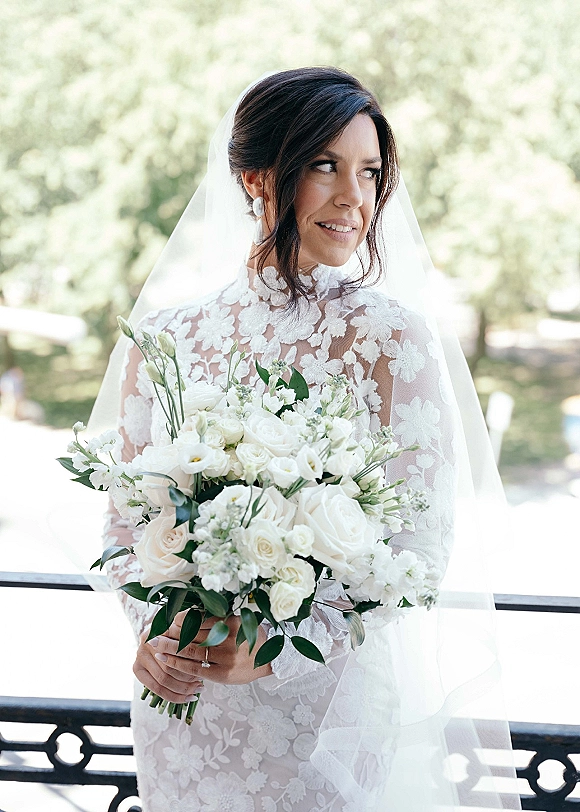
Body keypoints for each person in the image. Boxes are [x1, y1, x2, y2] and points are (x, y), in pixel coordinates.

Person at [98, 68, 520, 811]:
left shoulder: (393, 340)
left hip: (324, 715)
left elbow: (418, 552)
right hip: (185, 706)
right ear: (256, 176)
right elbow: (125, 522)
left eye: (370, 172)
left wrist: (279, 652)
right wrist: (157, 632)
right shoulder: (164, 337)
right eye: (325, 165)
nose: (354, 198)